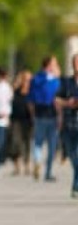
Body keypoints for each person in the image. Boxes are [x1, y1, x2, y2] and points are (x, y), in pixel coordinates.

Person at [28, 55, 61, 182]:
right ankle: (48, 172)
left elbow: (30, 101)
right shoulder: (54, 81)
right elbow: (58, 101)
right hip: (52, 115)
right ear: (49, 65)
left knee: (38, 143)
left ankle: (37, 160)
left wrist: (32, 115)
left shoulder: (35, 79)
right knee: (52, 146)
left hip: (38, 114)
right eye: (54, 63)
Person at [56, 54, 78, 198]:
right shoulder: (66, 82)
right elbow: (57, 99)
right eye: (75, 63)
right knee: (73, 156)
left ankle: (76, 186)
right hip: (69, 124)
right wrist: (67, 103)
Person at [9, 70, 33, 176]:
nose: (27, 82)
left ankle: (27, 165)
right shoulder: (15, 91)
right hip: (16, 120)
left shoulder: (32, 92)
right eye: (25, 79)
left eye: (29, 80)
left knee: (27, 143)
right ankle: (17, 166)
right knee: (15, 143)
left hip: (28, 120)